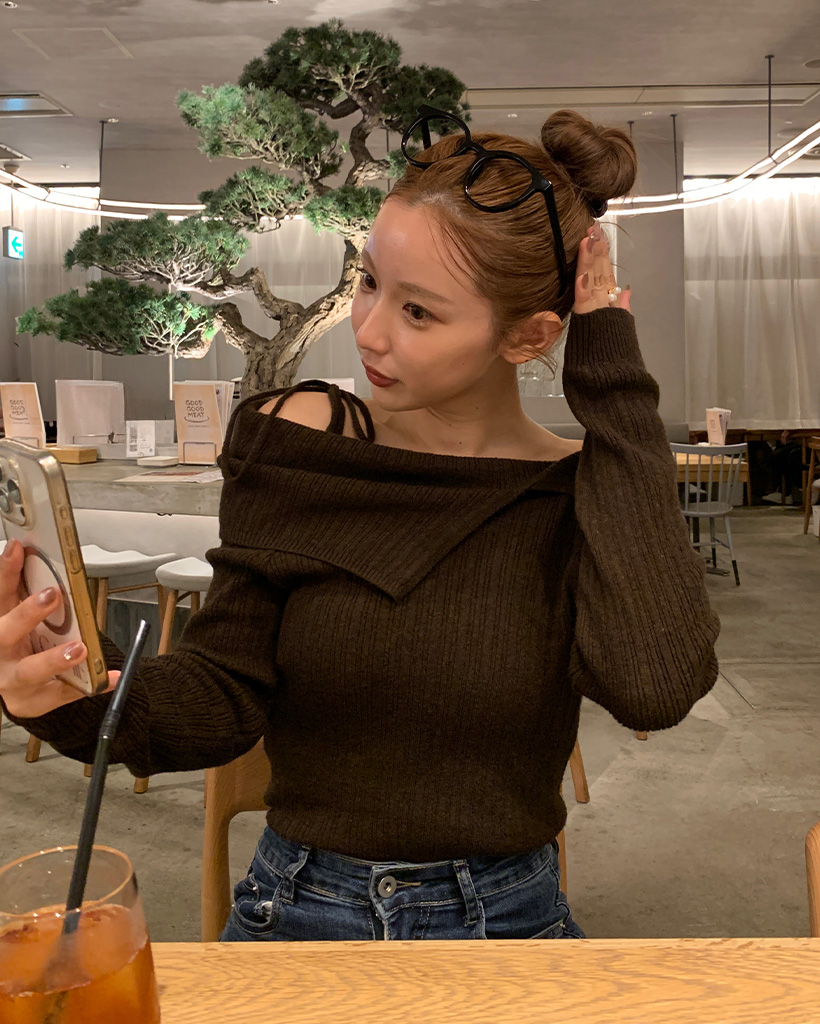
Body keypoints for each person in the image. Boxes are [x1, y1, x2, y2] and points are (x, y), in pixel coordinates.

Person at [0, 106, 720, 942]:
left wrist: (612, 374)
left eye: (420, 313)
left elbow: (652, 686)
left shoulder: (578, 490)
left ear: (529, 337)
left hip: (509, 920)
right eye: (371, 282)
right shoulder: (303, 438)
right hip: (300, 907)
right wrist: (72, 690)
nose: (368, 333)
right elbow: (223, 692)